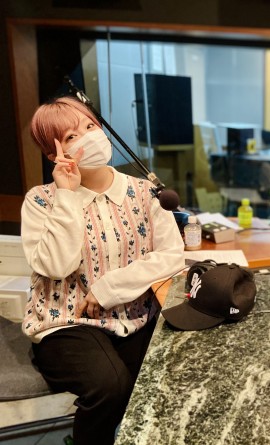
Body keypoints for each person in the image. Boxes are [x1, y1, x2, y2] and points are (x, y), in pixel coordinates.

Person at [21, 96, 185, 445]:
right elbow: (57, 266)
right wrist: (67, 196)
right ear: (53, 154)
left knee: (164, 380)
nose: (88, 137)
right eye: (71, 136)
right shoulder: (40, 200)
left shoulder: (144, 193)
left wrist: (109, 288)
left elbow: (172, 255)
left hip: (134, 316)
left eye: (90, 126)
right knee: (111, 387)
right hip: (66, 322)